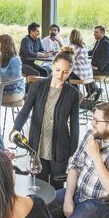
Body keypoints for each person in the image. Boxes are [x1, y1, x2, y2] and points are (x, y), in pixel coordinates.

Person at [11, 52, 79, 189]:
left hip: (61, 147)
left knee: (57, 186)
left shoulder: (73, 93)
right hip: (37, 145)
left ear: (70, 71)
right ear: (52, 66)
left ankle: (55, 211)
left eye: (65, 72)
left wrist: (73, 152)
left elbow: (74, 124)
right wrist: (15, 130)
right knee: (38, 185)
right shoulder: (37, 87)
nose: (60, 76)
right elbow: (25, 111)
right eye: (58, 70)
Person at [0, 34, 25, 104]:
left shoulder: (15, 59)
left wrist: (0, 87)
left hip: (15, 92)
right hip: (3, 90)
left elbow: (15, 81)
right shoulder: (0, 58)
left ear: (4, 45)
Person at [64, 29, 98, 98]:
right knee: (68, 77)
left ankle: (77, 94)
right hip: (87, 71)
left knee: (64, 77)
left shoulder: (73, 46)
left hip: (79, 73)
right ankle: (91, 90)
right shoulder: (84, 45)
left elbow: (70, 58)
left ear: (71, 37)